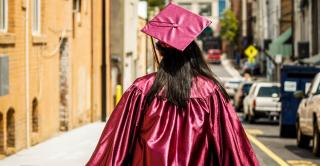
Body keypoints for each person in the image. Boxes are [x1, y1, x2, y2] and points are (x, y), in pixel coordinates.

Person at [86, 3, 259, 166]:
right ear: (193, 52)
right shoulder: (210, 92)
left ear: (160, 52)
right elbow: (233, 150)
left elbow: (115, 147)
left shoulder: (141, 89)